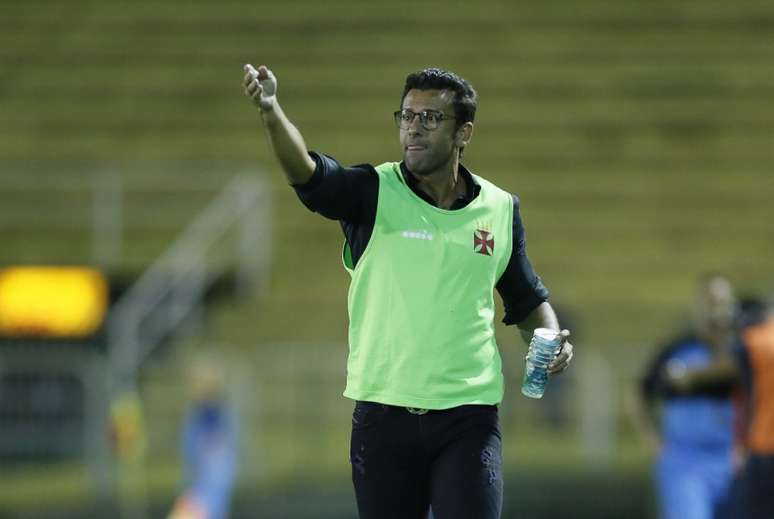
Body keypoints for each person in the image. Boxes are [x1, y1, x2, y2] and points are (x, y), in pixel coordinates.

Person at [242, 64, 574, 519]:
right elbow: (306, 173)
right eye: (406, 116)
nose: (413, 128)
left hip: (468, 417)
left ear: (464, 133)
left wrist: (551, 341)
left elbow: (527, 300)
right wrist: (270, 109)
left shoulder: (499, 209)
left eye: (430, 118)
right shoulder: (373, 192)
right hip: (383, 420)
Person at [637, 274, 738, 519]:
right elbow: (640, 393)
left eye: (722, 303)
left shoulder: (740, 351)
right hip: (685, 459)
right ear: (699, 305)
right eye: (711, 302)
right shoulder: (677, 348)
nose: (716, 311)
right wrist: (653, 441)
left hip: (731, 458)